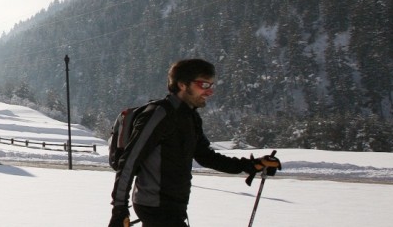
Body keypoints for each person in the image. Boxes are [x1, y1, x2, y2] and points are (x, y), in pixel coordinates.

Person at [109, 58, 282, 227]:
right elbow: (129, 161)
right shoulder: (159, 114)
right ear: (182, 85)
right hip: (155, 207)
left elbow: (206, 157)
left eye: (211, 85)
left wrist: (251, 165)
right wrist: (119, 209)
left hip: (174, 208)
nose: (210, 91)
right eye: (204, 85)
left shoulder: (190, 117)